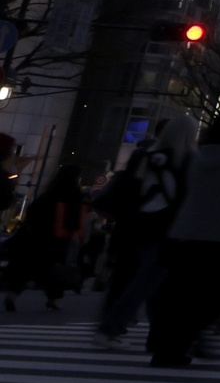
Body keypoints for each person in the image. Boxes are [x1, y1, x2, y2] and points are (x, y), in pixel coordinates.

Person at [147, 112, 220, 366]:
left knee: (180, 293)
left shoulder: (197, 158)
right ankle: (190, 338)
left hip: (185, 232)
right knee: (216, 294)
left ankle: (167, 344)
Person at [91, 117, 197, 348]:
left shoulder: (143, 156)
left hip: (136, 224)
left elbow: (131, 189)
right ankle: (110, 328)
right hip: (167, 226)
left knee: (146, 278)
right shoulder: (189, 159)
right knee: (149, 280)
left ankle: (150, 333)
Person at [3, 166, 86, 312]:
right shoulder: (74, 194)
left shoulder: (49, 192)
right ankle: (54, 300)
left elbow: (33, 211)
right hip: (58, 239)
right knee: (54, 270)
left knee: (27, 268)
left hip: (38, 237)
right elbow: (75, 218)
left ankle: (12, 295)